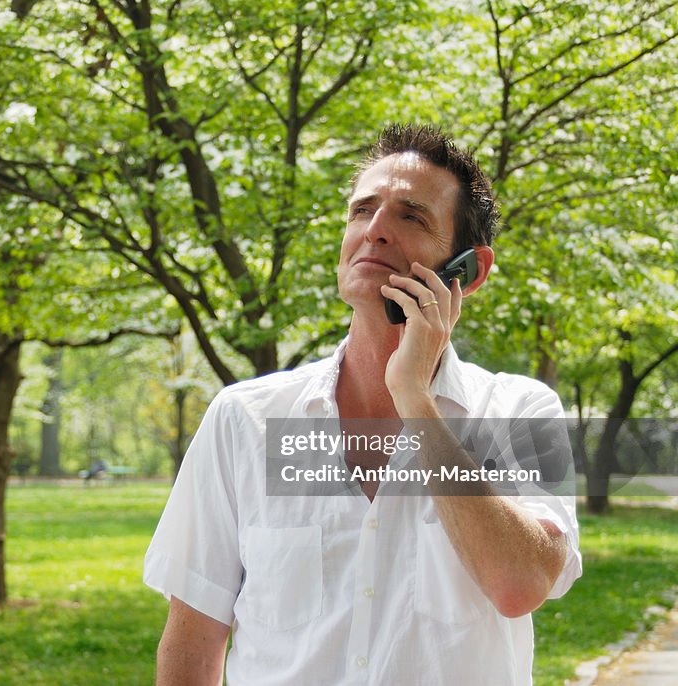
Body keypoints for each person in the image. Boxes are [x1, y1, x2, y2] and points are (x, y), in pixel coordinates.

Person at [143, 123, 581, 685]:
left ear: (469, 270)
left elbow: (519, 584)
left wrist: (416, 401)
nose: (374, 231)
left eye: (411, 216)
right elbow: (192, 643)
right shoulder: (243, 419)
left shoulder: (520, 409)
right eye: (362, 210)